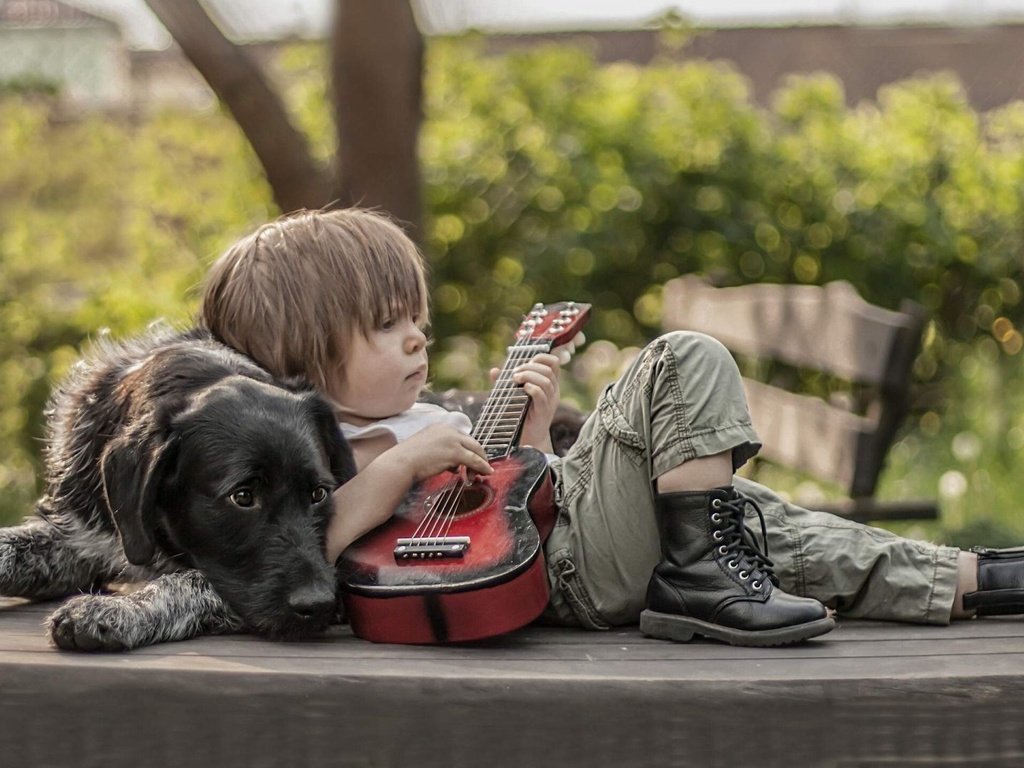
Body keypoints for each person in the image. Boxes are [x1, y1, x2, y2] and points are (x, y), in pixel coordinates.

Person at [200, 207, 1024, 647]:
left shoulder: (420, 415)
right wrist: (397, 465)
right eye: (386, 325)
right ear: (298, 359)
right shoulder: (311, 452)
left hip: (547, 558)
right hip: (557, 576)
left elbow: (507, 504)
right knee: (681, 361)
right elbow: (310, 552)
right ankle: (702, 581)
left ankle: (973, 580)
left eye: (416, 316)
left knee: (764, 526)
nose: (416, 336)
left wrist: (522, 425)